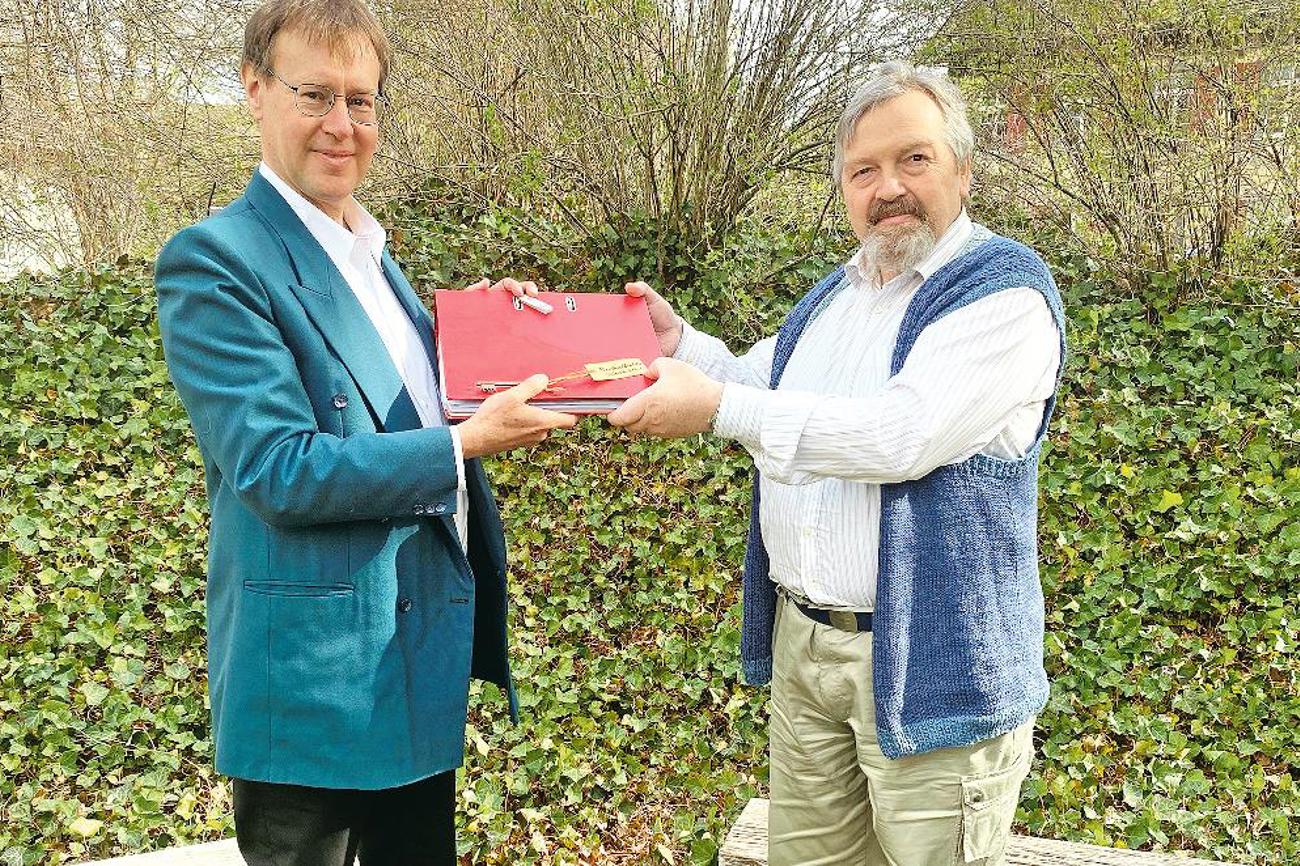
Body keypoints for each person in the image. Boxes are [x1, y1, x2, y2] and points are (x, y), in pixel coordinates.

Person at [607, 61, 1066, 865]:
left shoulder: (1004, 294)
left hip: (934, 661)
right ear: (845, 190)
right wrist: (678, 345)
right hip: (807, 647)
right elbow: (764, 381)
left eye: (913, 159)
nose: (888, 187)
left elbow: (900, 436)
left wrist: (715, 410)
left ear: (963, 168)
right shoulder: (838, 294)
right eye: (864, 171)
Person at [154, 1, 575, 862]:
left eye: (363, 100)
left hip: (410, 664)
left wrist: (494, 340)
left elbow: (401, 409)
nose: (342, 125)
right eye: (316, 95)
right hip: (312, 701)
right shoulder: (218, 259)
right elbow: (277, 469)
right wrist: (462, 445)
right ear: (254, 89)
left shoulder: (375, 259)